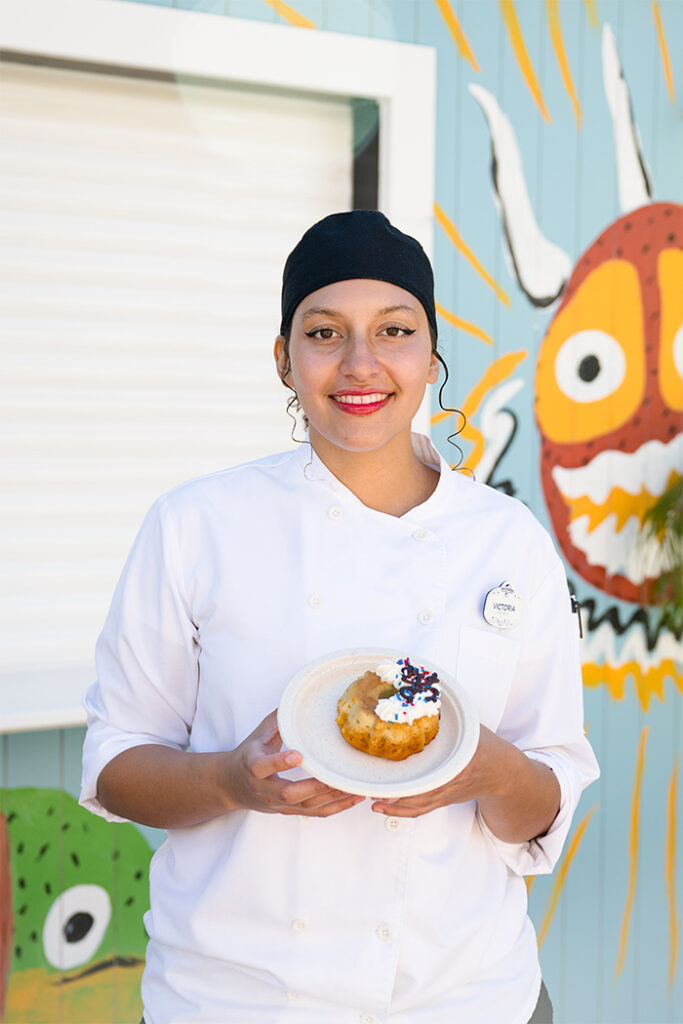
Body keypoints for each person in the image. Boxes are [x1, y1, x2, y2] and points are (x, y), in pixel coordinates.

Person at [80, 211, 599, 1024]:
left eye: (394, 330)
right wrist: (228, 781)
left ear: (431, 358)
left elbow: (543, 795)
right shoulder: (195, 526)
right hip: (236, 1001)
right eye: (324, 333)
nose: (361, 363)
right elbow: (116, 763)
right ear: (284, 360)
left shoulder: (508, 545)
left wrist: (488, 769)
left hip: (466, 998)